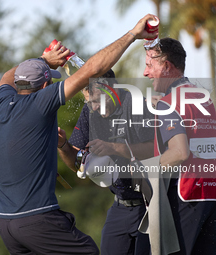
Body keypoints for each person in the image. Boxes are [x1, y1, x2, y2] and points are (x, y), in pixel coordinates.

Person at [0, 14, 158, 255]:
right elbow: (92, 70)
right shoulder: (41, 103)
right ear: (46, 88)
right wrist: (132, 34)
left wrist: (42, 60)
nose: (91, 102)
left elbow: (6, 77)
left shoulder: (3, 101)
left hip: (6, 222)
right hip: (37, 218)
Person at [57, 69, 154, 255]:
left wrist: (115, 148)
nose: (93, 107)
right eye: (89, 101)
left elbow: (156, 148)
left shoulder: (136, 104)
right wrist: (63, 146)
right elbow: (76, 164)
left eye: (97, 101)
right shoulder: (89, 112)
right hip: (120, 206)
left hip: (150, 206)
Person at [143, 37, 216, 254]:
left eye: (150, 65)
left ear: (166, 66)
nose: (145, 72)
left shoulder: (168, 104)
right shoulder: (203, 98)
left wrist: (143, 168)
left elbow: (179, 153)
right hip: (214, 195)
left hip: (186, 197)